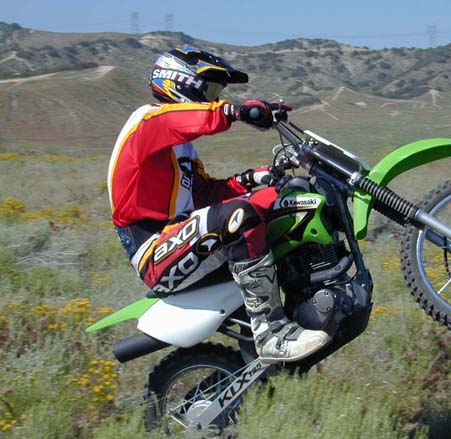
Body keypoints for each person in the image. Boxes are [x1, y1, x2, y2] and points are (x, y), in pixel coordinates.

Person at [108, 46, 330, 363]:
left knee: (282, 200)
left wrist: (259, 177)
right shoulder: (146, 122)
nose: (213, 99)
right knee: (239, 217)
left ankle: (309, 297)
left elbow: (206, 194)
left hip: (182, 236)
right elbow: (193, 118)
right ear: (180, 84)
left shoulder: (179, 148)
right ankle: (271, 333)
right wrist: (238, 112)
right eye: (210, 91)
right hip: (156, 252)